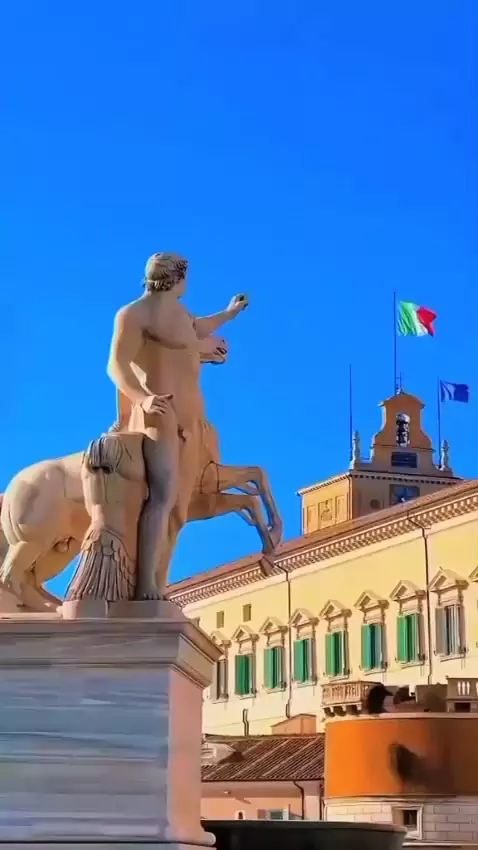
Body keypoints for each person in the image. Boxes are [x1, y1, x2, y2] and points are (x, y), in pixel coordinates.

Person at [107, 252, 247, 598]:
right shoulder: (133, 314)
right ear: (177, 278)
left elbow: (198, 328)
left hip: (190, 417)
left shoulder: (181, 314)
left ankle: (158, 579)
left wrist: (230, 313)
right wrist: (142, 399)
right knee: (162, 496)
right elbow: (117, 365)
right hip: (159, 413)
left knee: (180, 507)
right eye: (187, 277)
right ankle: (144, 585)